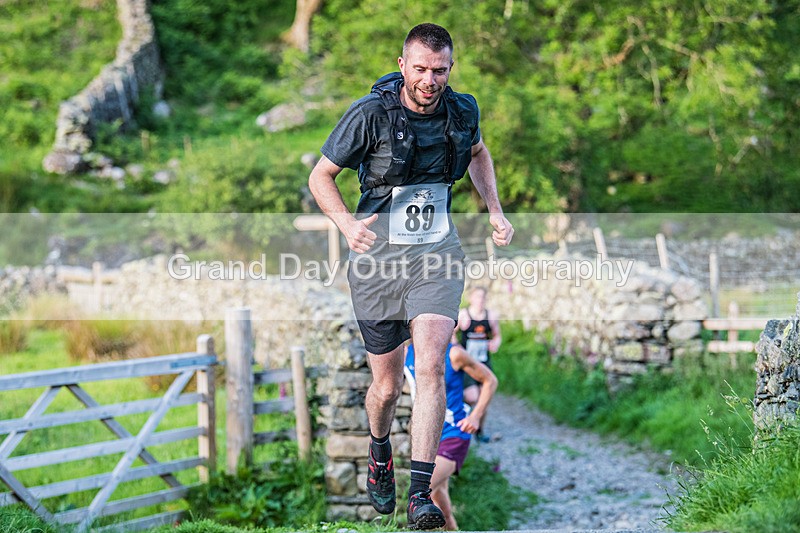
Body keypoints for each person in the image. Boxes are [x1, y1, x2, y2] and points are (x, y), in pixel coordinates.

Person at [308, 22, 513, 529]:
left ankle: (420, 493)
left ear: (450, 68)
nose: (429, 79)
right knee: (387, 386)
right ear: (403, 66)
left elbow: (478, 154)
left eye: (439, 70)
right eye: (420, 69)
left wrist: (495, 209)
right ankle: (380, 452)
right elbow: (321, 176)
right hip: (378, 260)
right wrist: (347, 223)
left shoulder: (463, 110)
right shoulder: (370, 114)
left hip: (436, 256)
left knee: (431, 367)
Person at [404, 337, 498, 530]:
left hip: (454, 434)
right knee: (443, 511)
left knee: (419, 493)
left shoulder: (454, 353)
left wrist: (476, 416)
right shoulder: (407, 352)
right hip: (429, 439)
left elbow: (490, 380)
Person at [457, 286, 501, 442]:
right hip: (468, 363)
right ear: (471, 299)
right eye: (477, 297)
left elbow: (497, 336)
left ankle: (479, 432)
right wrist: (458, 350)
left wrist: (495, 343)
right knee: (471, 396)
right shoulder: (464, 315)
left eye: (483, 297)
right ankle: (463, 423)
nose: (480, 300)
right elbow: (451, 334)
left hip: (483, 361)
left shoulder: (491, 316)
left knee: (485, 397)